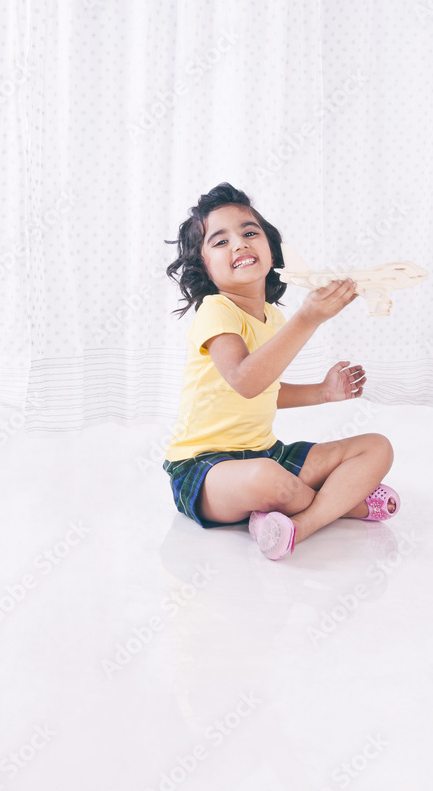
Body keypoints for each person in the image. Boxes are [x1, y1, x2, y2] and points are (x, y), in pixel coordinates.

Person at [163, 182, 399, 560]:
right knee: (268, 480)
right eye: (219, 241)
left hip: (264, 452)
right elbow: (245, 381)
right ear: (203, 266)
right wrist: (308, 319)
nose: (239, 244)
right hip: (205, 467)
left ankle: (300, 525)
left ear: (272, 249)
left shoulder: (273, 317)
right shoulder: (216, 310)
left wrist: (322, 392)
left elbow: (267, 387)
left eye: (249, 233)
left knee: (377, 447)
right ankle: (348, 506)